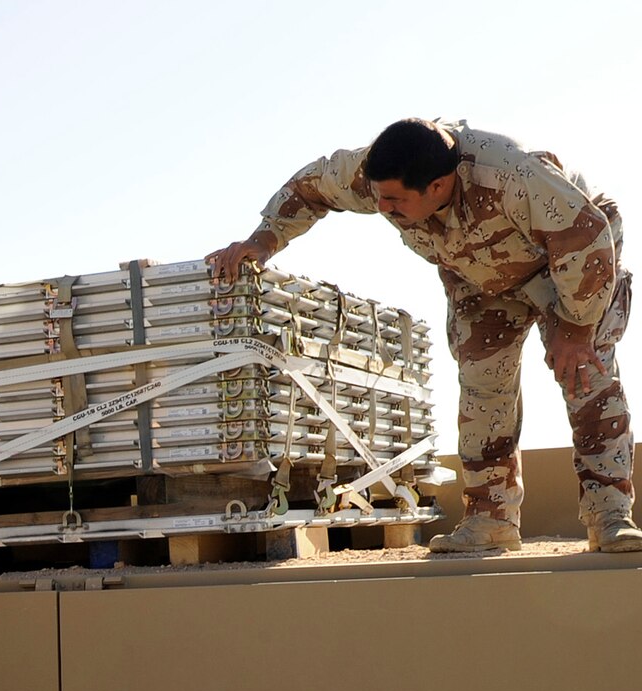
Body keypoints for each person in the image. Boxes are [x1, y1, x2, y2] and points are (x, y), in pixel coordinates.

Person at [208, 118, 642, 554]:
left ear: (438, 185)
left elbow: (586, 235)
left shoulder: (512, 175)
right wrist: (264, 240)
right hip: (479, 277)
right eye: (378, 196)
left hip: (572, 266)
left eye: (395, 200)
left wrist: (577, 328)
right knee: (482, 394)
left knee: (586, 380)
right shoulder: (376, 172)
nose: (382, 207)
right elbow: (311, 186)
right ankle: (490, 522)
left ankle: (609, 517)